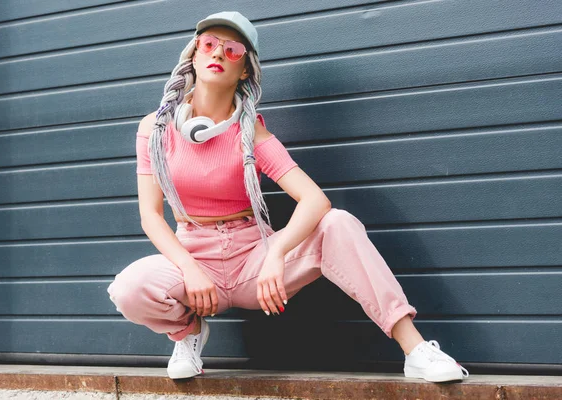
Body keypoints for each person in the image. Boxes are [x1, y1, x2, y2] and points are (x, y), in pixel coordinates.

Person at [107, 11, 469, 383]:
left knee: (338, 223)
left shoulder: (255, 136)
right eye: (209, 44)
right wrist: (188, 268)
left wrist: (276, 255)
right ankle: (189, 334)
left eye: (233, 50)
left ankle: (414, 349)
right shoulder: (155, 129)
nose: (218, 54)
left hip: (254, 261)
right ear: (193, 55)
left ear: (245, 70)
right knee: (128, 288)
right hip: (195, 263)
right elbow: (151, 215)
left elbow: (315, 200)